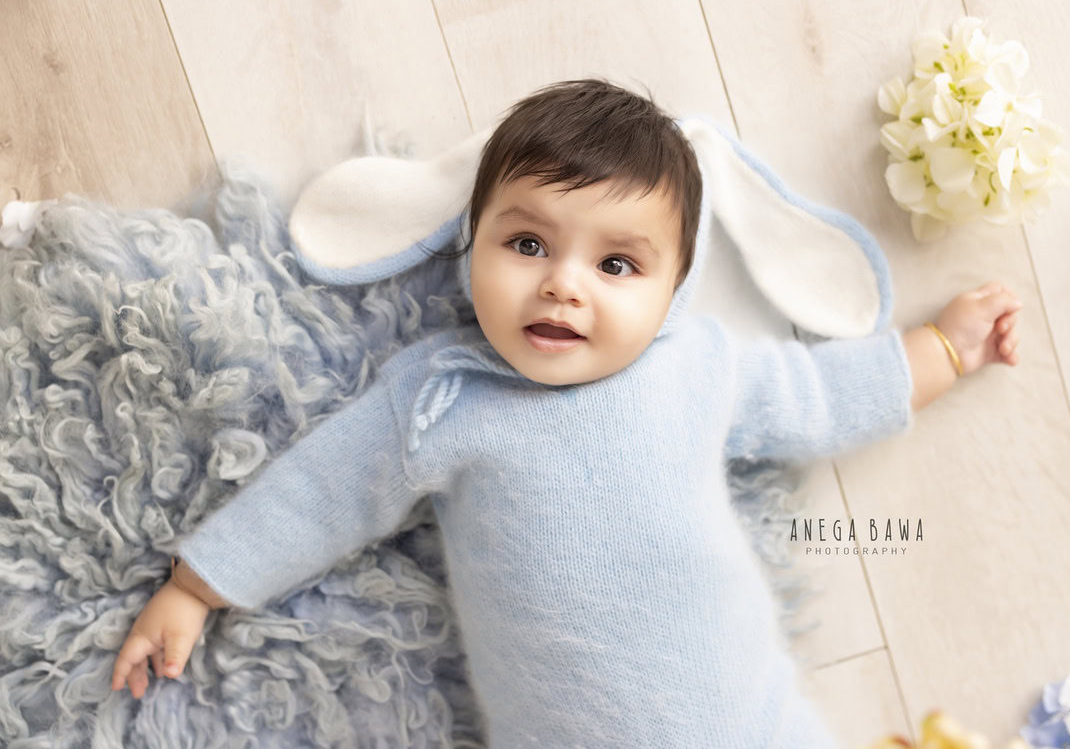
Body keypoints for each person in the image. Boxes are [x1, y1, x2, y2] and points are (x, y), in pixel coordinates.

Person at [111, 79, 1022, 747]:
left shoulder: (694, 369)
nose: (561, 283)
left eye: (616, 265)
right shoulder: (443, 397)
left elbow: (820, 398)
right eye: (528, 242)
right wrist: (200, 586)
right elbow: (323, 490)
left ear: (675, 290)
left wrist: (944, 347)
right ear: (471, 246)